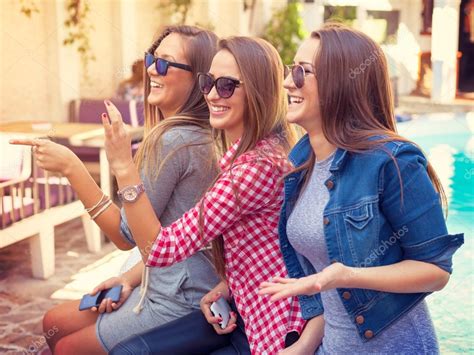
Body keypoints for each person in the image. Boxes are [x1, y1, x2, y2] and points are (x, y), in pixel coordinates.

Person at [11, 25, 221, 354]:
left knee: (65, 344)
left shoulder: (174, 141)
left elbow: (125, 237)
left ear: (197, 79)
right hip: (177, 280)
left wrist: (71, 167)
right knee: (56, 320)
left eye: (165, 63)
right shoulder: (201, 134)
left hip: (179, 298)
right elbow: (169, 239)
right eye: (152, 58)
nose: (151, 69)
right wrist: (130, 278)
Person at [258, 23, 465, 354]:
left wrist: (347, 275)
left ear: (339, 84)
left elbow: (435, 270)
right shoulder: (301, 161)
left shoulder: (392, 162)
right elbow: (325, 287)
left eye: (302, 72)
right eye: (290, 69)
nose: (287, 82)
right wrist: (304, 346)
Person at [102, 36, 308, 354]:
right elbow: (273, 245)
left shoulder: (250, 171)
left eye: (226, 85)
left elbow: (157, 249)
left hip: (271, 332)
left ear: (257, 92)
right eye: (207, 82)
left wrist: (123, 168)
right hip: (243, 309)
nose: (212, 94)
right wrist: (229, 286)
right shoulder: (263, 150)